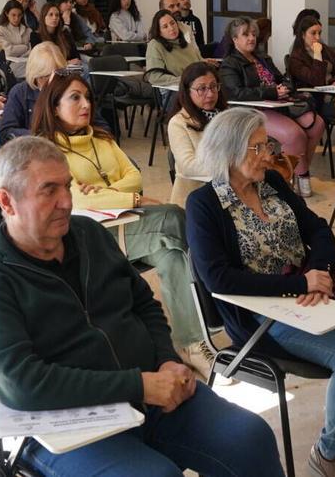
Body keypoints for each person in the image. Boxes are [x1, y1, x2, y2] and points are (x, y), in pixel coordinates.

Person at [0, 136, 282, 477]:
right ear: (6, 201)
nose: (66, 202)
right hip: (65, 424)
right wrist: (139, 385)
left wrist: (167, 361)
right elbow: (21, 383)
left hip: (151, 392)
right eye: (49, 190)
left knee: (251, 438)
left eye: (67, 186)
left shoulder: (89, 234)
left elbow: (144, 303)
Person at [187, 108, 335, 477]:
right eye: (257, 148)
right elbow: (218, 280)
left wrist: (318, 271)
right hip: (264, 311)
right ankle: (330, 453)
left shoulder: (271, 182)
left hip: (314, 286)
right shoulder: (204, 204)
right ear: (229, 151)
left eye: (267, 145)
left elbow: (319, 229)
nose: (268, 155)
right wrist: (298, 285)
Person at [30, 73, 213, 376]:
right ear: (53, 105)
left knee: (172, 253)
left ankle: (190, 345)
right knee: (173, 216)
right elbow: (73, 198)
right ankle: (213, 308)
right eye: (75, 97)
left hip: (129, 227)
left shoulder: (101, 137)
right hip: (89, 239)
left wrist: (105, 193)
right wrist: (132, 200)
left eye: (87, 97)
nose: (86, 104)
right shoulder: (46, 149)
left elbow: (136, 176)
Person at [219, 16, 324, 197]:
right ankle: (293, 181)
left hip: (278, 105)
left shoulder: (262, 58)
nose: (251, 38)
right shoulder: (230, 63)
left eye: (253, 34)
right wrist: (271, 92)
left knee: (317, 124)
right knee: (294, 135)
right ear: (235, 39)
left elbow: (282, 79)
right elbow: (235, 93)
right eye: (245, 35)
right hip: (252, 112)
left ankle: (297, 173)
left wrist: (286, 87)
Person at [166, 62, 228, 206]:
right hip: (197, 197)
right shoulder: (178, 122)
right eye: (202, 89)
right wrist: (229, 170)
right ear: (187, 91)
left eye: (214, 86)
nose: (210, 94)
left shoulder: (226, 116)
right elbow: (188, 165)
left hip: (233, 190)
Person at [286, 13, 335, 91]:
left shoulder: (324, 48)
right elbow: (316, 81)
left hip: (332, 90)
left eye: (319, 33)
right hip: (314, 95)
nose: (318, 37)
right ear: (303, 35)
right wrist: (317, 55)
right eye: (313, 33)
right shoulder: (296, 58)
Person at [145, 8, 203, 89]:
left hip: (198, 86)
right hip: (174, 90)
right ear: (159, 31)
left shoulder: (185, 43)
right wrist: (183, 81)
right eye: (165, 27)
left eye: (173, 23)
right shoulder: (155, 45)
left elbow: (200, 65)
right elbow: (154, 77)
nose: (171, 28)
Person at [0, 0, 31, 79]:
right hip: (10, 67)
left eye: (19, 15)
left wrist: (16, 49)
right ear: (6, 14)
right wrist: (25, 47)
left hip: (29, 63)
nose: (16, 18)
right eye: (13, 15)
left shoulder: (28, 30)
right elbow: (8, 51)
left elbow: (33, 51)